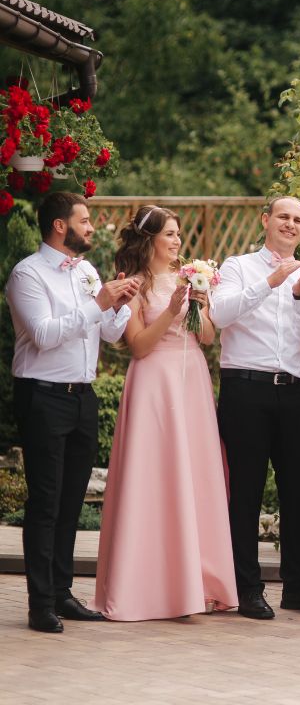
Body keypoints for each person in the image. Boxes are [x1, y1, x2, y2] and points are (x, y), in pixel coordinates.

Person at [90, 205, 237, 620]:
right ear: (149, 240)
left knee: (194, 479)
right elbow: (137, 346)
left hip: (191, 386)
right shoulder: (132, 284)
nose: (176, 241)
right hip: (154, 383)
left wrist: (198, 304)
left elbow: (207, 337)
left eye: (178, 233)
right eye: (168, 234)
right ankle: (147, 584)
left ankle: (198, 583)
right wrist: (172, 309)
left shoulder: (191, 278)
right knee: (153, 478)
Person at [5, 191, 139, 633]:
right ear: (60, 225)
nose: (92, 227)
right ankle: (40, 602)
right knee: (44, 500)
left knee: (69, 500)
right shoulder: (28, 274)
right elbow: (43, 334)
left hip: (83, 396)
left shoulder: (86, 272)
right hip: (42, 395)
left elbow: (111, 331)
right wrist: (99, 303)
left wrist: (120, 304)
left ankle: (62, 592)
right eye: (84, 220)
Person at [210, 196, 300, 619]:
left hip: (293, 391)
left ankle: (296, 586)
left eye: (299, 220)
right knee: (246, 491)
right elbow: (220, 313)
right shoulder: (237, 265)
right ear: (266, 220)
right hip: (246, 389)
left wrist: (299, 295)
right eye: (284, 216)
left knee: (298, 491)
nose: (291, 224)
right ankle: (248, 588)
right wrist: (272, 281)